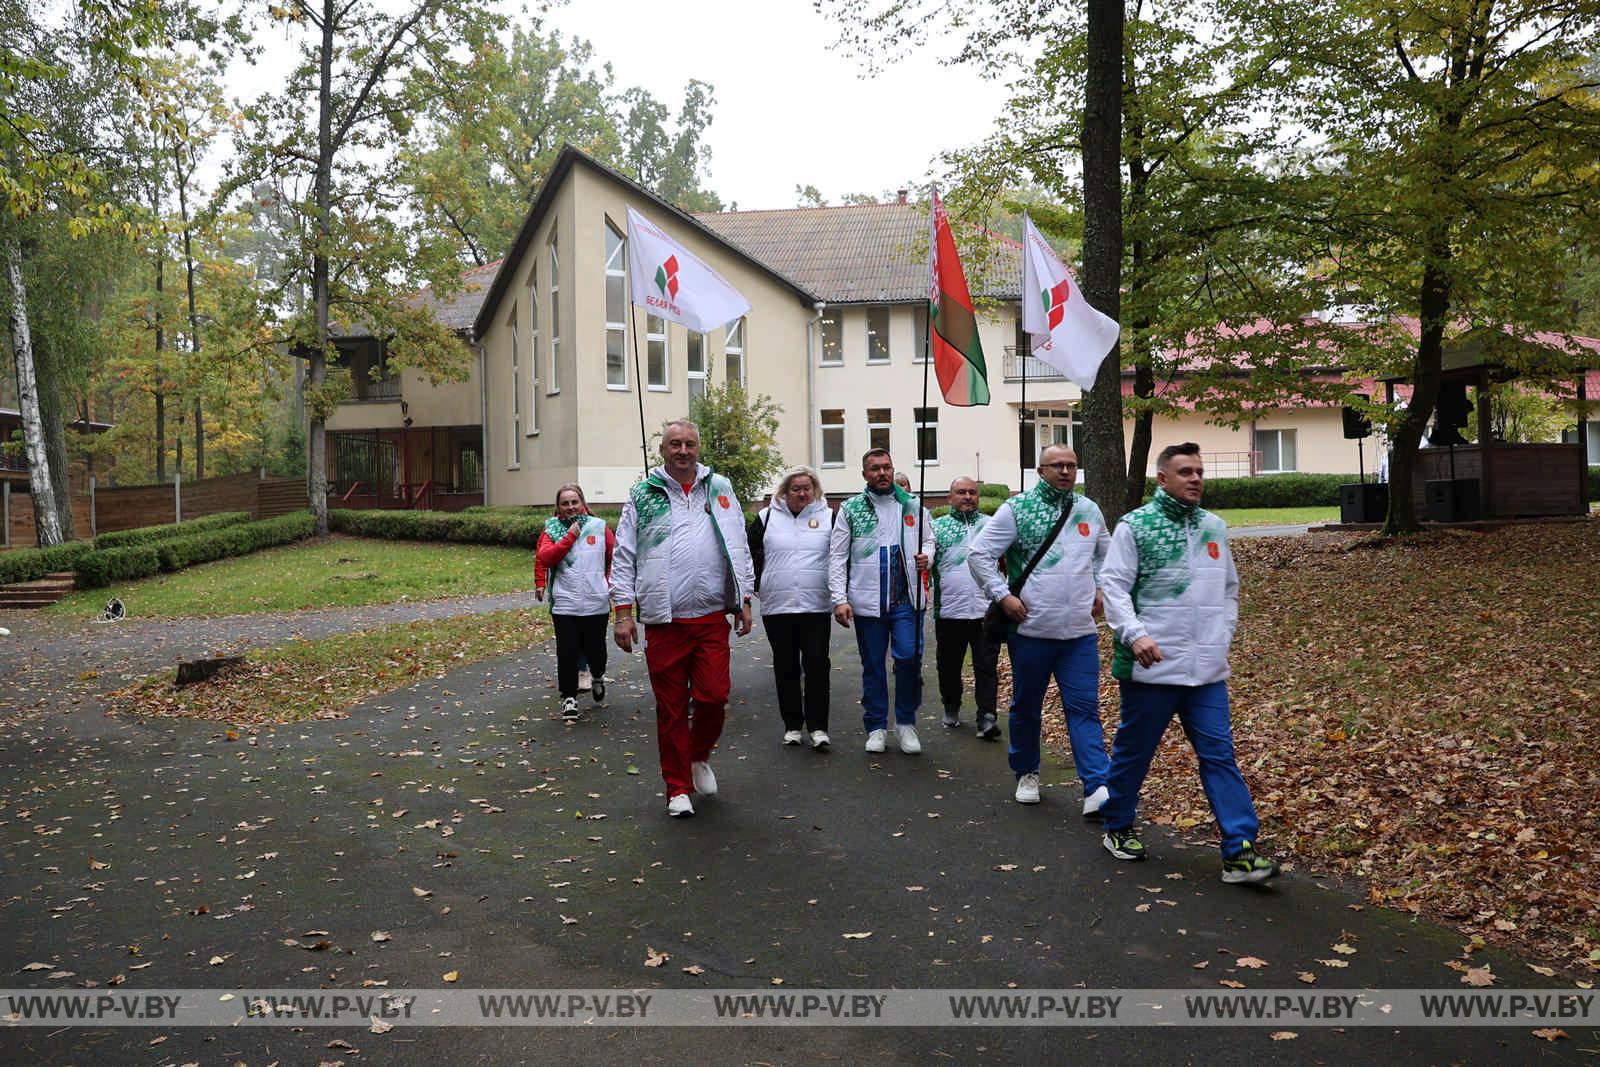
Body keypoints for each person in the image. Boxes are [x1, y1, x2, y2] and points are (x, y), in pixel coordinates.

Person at [1098, 442, 1279, 884]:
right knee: (1135, 753)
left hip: (1207, 670)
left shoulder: (1214, 527)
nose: (1196, 478)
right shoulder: (1135, 526)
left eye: (1199, 471)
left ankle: (1239, 850)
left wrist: (1224, 634)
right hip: (1153, 665)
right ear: (1163, 479)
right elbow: (1114, 586)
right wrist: (1135, 634)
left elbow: (1229, 590)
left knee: (1219, 755)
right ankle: (1117, 825)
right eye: (1185, 472)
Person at [611, 420, 755, 818]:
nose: (683, 451)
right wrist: (623, 613)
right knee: (671, 708)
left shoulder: (719, 488)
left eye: (689, 444)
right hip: (664, 618)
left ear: (698, 448)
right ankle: (676, 788)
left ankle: (698, 756)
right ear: (662, 450)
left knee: (714, 697)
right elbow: (624, 555)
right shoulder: (644, 494)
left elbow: (739, 545)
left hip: (710, 615)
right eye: (675, 444)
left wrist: (743, 598)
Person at [969, 445, 1110, 811]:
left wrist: (1101, 586)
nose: (1065, 471)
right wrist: (1002, 596)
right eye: (1057, 466)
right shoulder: (1017, 510)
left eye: (1071, 466)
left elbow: (1105, 554)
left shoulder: (1088, 509)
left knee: (1084, 708)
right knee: (1027, 705)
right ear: (1040, 470)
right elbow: (979, 554)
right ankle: (1027, 771)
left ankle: (1096, 787)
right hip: (1031, 630)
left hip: (1079, 633)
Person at [828, 448, 934, 754]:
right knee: (873, 665)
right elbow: (837, 556)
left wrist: (928, 555)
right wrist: (839, 598)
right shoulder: (851, 509)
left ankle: (905, 723)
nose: (882, 473)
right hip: (868, 601)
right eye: (875, 468)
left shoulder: (913, 506)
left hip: (906, 599)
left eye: (887, 467)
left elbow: (929, 539)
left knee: (908, 660)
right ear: (865, 474)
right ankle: (875, 726)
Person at [748, 466, 834, 750]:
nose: (801, 494)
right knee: (786, 667)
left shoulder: (828, 517)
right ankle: (793, 726)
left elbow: (841, 556)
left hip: (816, 606)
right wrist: (756, 584)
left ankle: (819, 727)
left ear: (815, 489)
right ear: (785, 491)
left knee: (817, 664)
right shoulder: (766, 517)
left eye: (806, 488)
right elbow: (748, 554)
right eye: (795, 489)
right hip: (778, 606)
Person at [930, 476, 1001, 737]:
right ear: (950, 497)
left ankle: (987, 717)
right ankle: (951, 704)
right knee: (948, 666)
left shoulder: (991, 526)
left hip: (986, 610)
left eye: (972, 492)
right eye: (961, 492)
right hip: (949, 610)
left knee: (986, 665)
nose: (968, 496)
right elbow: (926, 561)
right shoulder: (937, 528)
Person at [536, 484, 614, 719]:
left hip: (595, 601)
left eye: (574, 502)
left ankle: (598, 675)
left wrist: (609, 585)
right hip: (565, 602)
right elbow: (545, 558)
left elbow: (615, 558)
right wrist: (569, 537)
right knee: (567, 651)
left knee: (596, 650)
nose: (570, 507)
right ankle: (568, 697)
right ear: (558, 507)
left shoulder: (599, 527)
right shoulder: (551, 530)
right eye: (565, 503)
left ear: (582, 503)